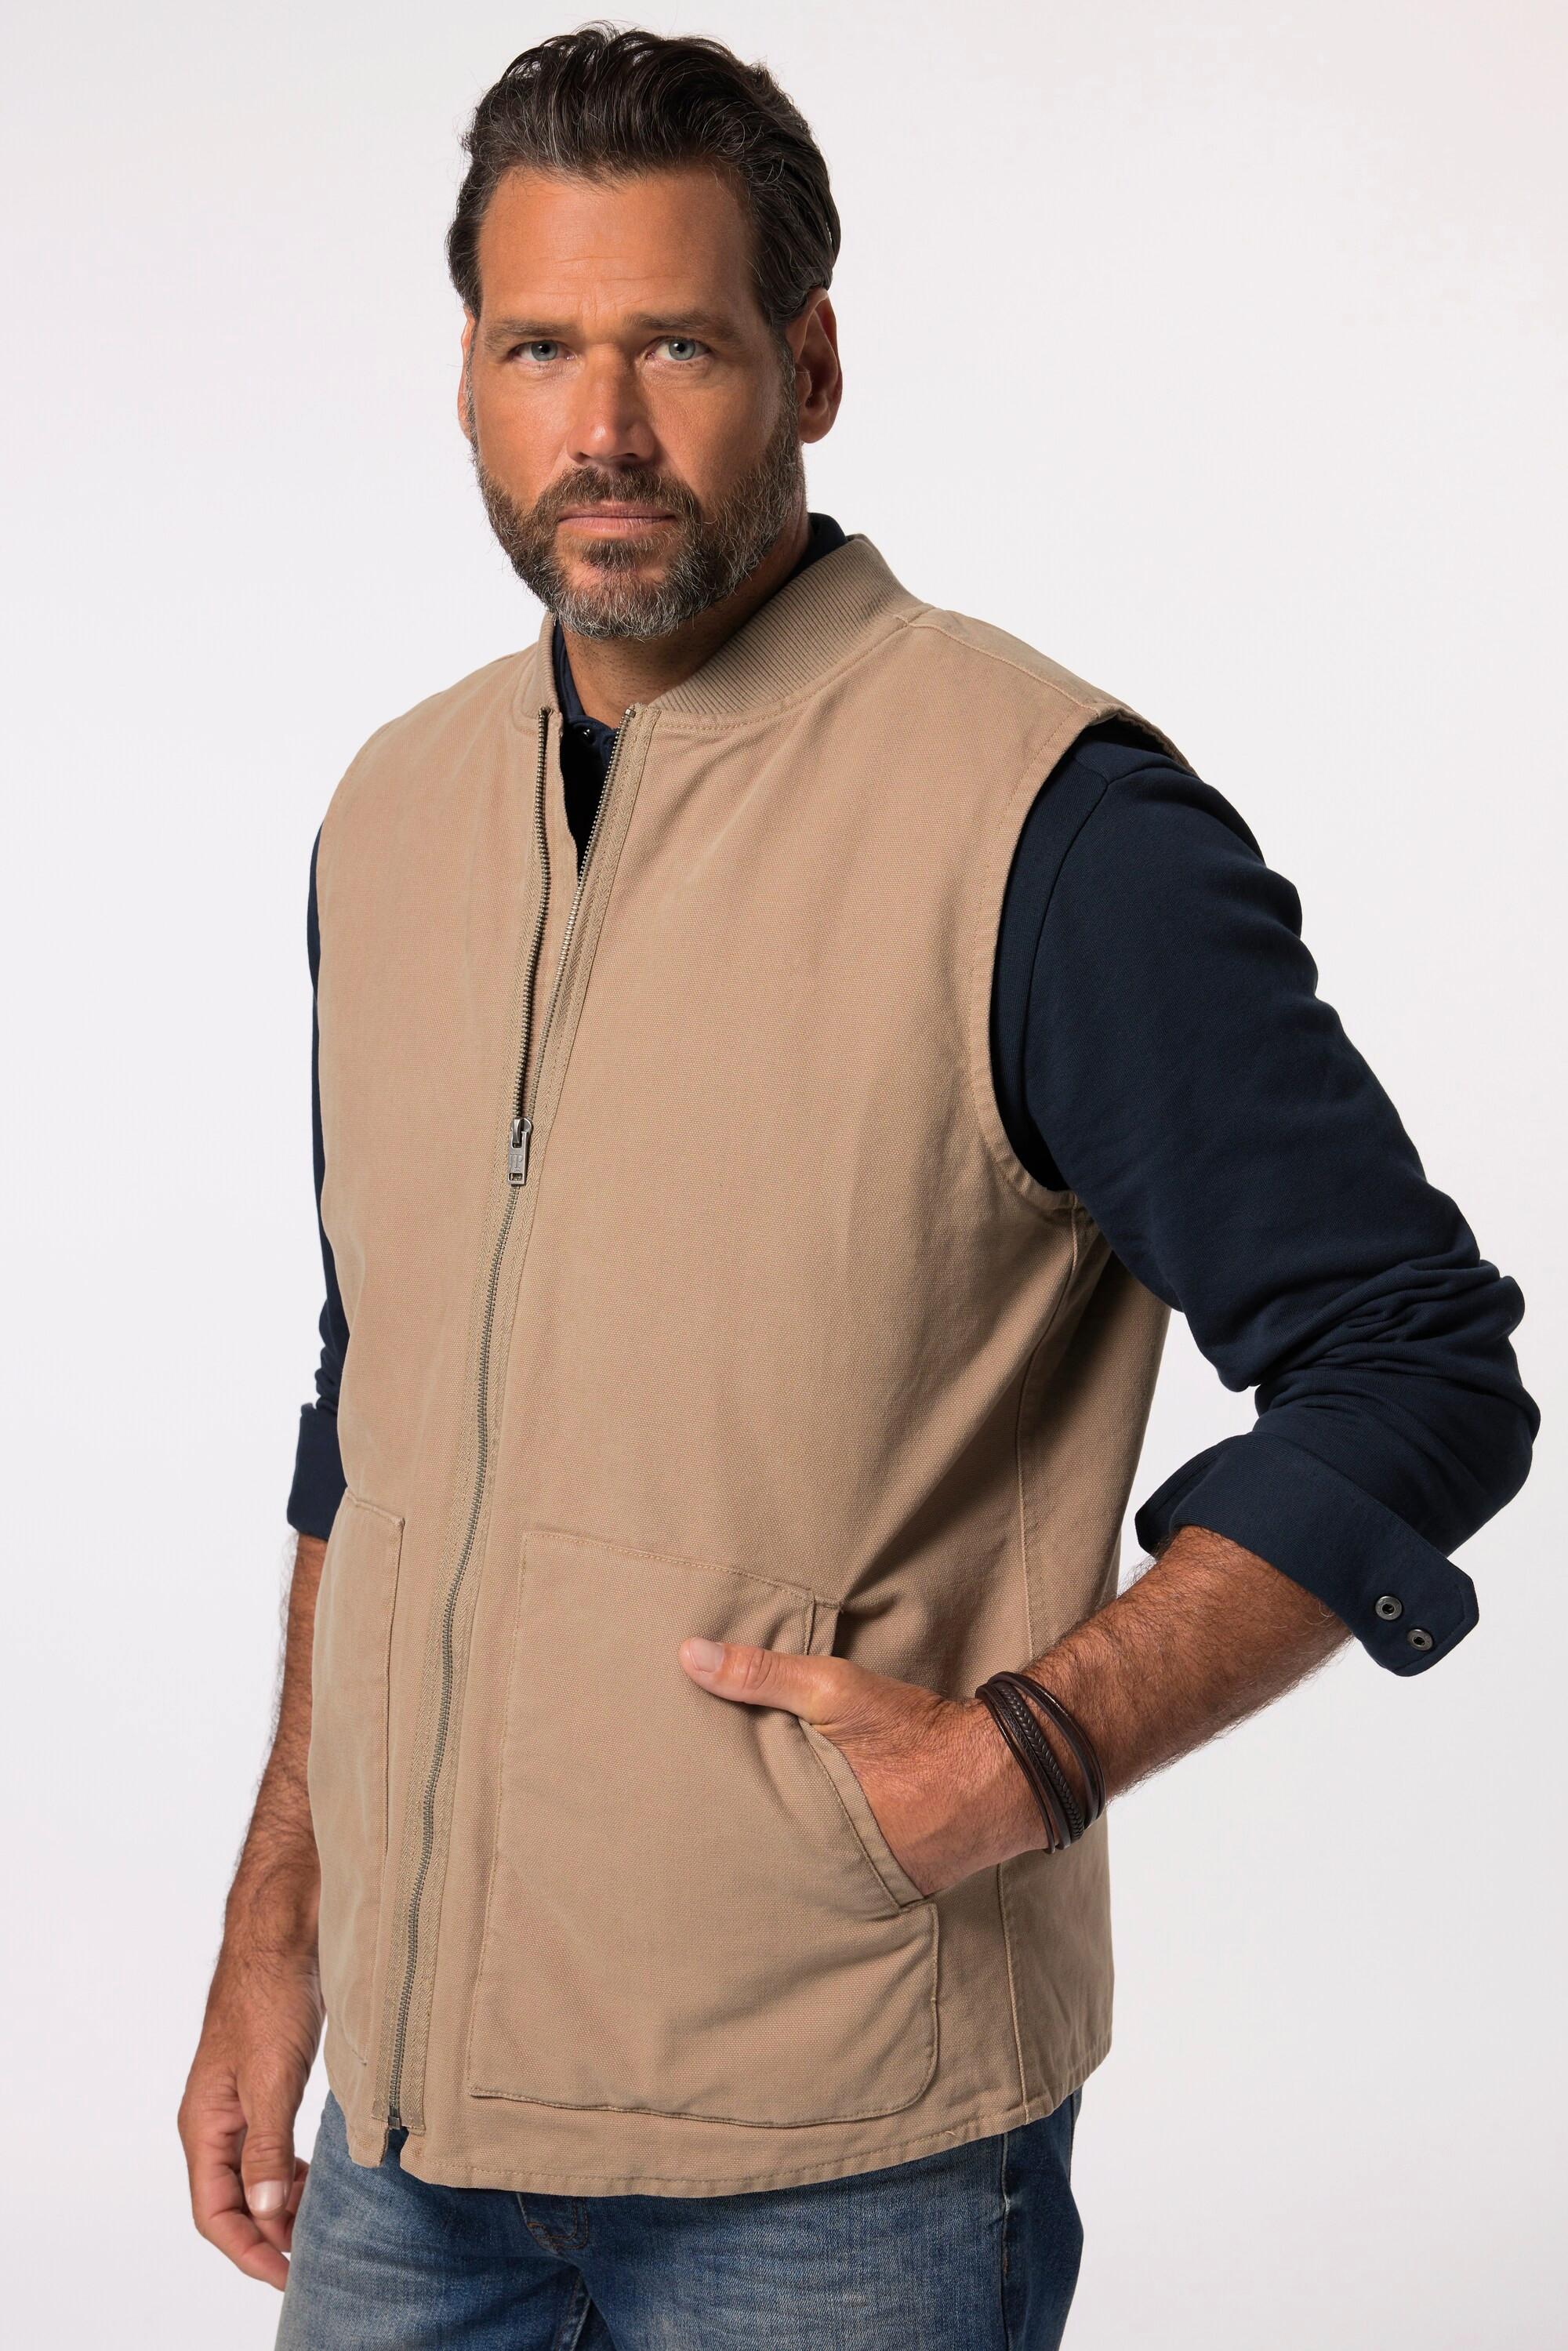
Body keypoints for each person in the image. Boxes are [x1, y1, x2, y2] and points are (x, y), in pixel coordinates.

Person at [178, 27, 1537, 2349]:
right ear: (468, 376)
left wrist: (1031, 1758)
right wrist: (281, 1907)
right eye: (540, 348)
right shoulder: (392, 817)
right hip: (407, 2155)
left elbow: (1416, 1366)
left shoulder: (1050, 826)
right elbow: (373, 1403)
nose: (604, 429)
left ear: (808, 363)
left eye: (679, 346)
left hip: (847, 2163)